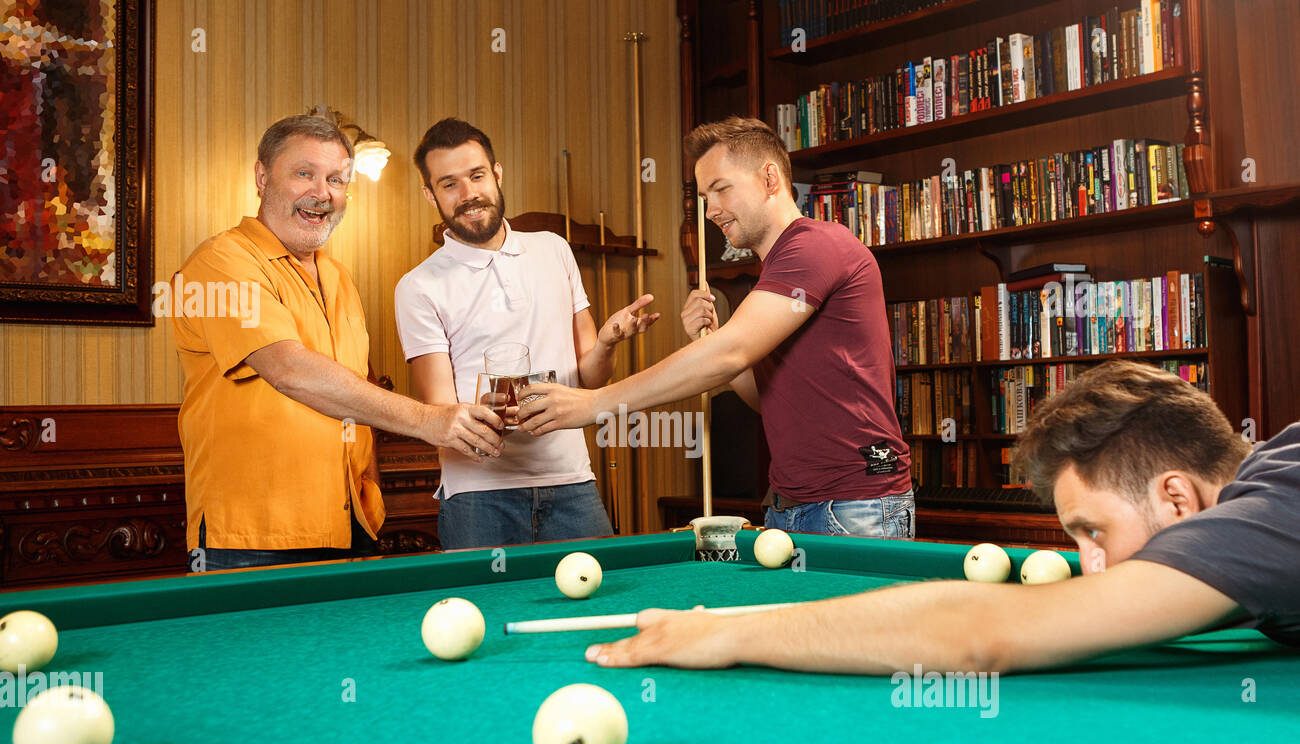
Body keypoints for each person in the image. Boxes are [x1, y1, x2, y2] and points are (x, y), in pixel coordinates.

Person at [575, 361, 1300, 672]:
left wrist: (728, 632)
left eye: (1096, 533)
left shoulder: (1272, 516)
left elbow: (983, 636)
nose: (1089, 565)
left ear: (1178, 497)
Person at [519, 116, 914, 539]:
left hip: (854, 505)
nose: (711, 211)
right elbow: (767, 399)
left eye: (722, 189)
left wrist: (593, 404)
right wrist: (712, 338)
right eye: (705, 196)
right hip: (793, 505)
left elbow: (729, 355)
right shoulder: (775, 274)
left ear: (769, 178)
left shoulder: (815, 246)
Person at [172, 113, 503, 572]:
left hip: (352, 526)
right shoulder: (221, 263)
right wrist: (431, 420)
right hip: (251, 535)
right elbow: (289, 369)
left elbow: (354, 393)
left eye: (336, 179)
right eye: (304, 173)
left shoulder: (339, 278)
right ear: (262, 177)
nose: (322, 192)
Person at [394, 118, 658, 550]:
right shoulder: (419, 286)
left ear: (497, 174)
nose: (468, 195)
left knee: (597, 609)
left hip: (571, 480)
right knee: (480, 614)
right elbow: (439, 411)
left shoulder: (553, 248)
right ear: (430, 194)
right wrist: (485, 412)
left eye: (477, 176)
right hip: (478, 494)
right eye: (449, 184)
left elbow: (590, 379)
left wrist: (608, 341)